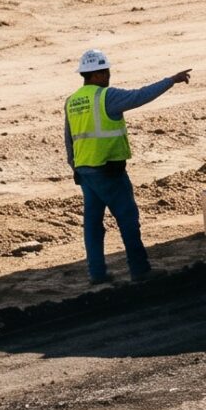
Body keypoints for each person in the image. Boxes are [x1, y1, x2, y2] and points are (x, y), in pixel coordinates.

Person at [65, 49, 190, 285]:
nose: (109, 75)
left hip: (86, 172)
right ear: (98, 74)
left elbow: (68, 139)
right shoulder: (106, 96)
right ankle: (139, 269)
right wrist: (171, 81)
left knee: (92, 224)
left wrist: (76, 168)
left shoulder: (71, 101)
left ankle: (97, 274)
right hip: (108, 171)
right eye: (107, 72)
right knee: (127, 218)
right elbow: (140, 96)